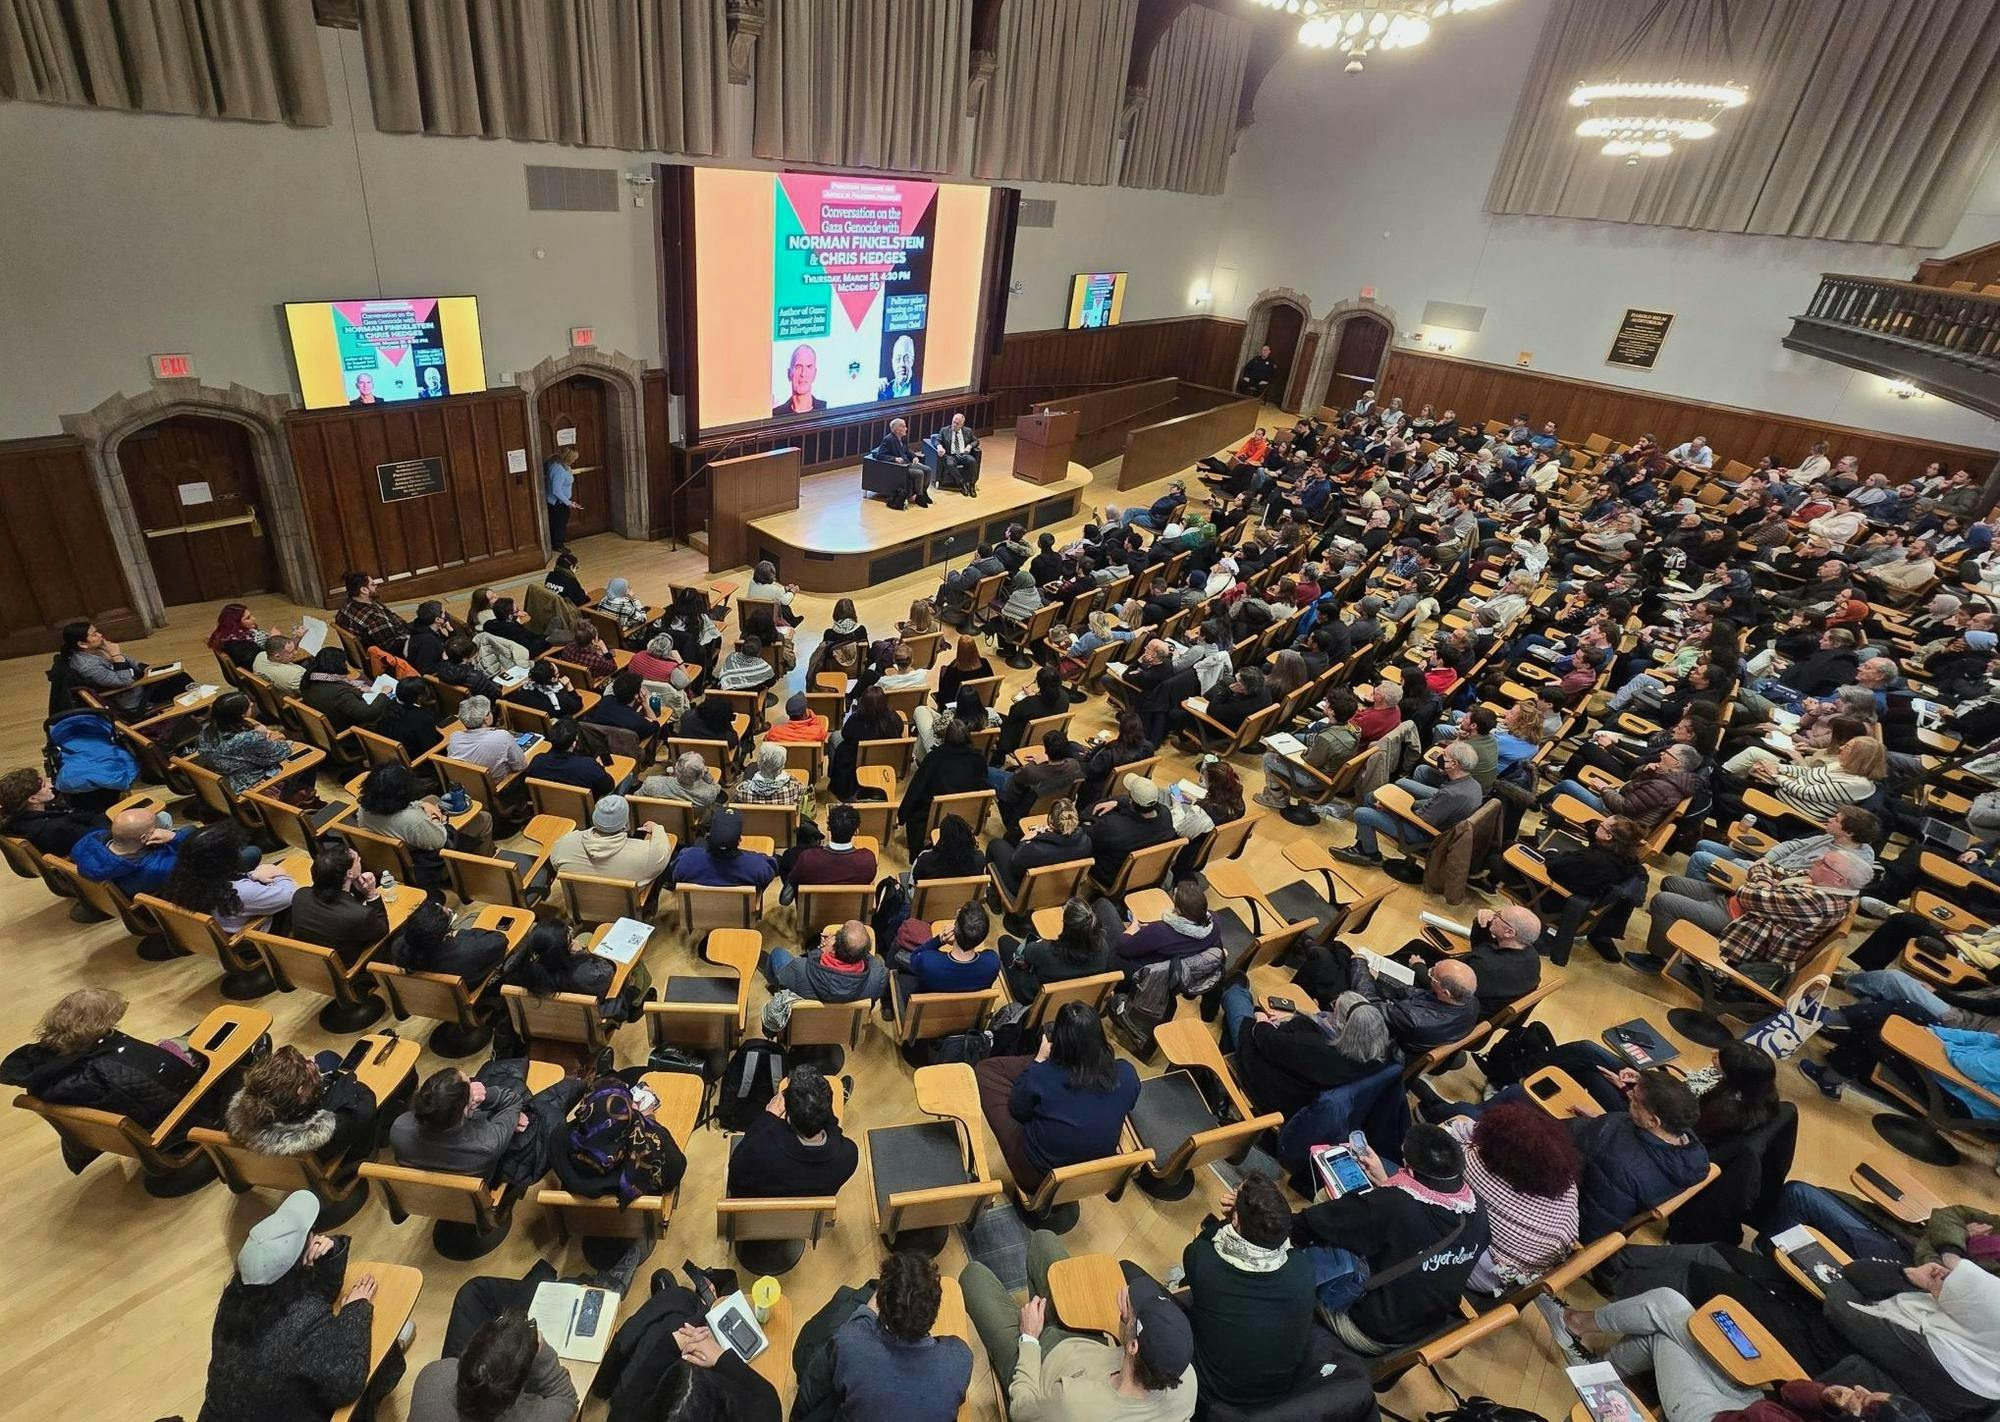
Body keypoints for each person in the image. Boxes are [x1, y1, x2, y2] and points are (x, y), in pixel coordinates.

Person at [194, 1190, 391, 1422]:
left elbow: (315, 1299)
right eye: (311, 1235)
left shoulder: (235, 1298)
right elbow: (347, 1383)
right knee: (377, 1341)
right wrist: (355, 1310)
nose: (315, 1235)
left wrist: (327, 1256)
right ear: (302, 1262)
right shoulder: (304, 1318)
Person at [1292, 1122, 1489, 1354]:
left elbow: (1306, 1225)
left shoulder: (1393, 1205)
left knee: (1324, 1201)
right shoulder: (1477, 1209)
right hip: (1426, 1328)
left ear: (1411, 1171)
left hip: (1368, 1330)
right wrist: (1385, 1181)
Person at [959, 1233, 1195, 1422]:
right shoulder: (1184, 1379)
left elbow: (1021, 1410)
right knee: (1043, 1239)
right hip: (1088, 1339)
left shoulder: (1074, 1407)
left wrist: (1029, 1339)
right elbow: (1139, 1357)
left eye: (1135, 1313)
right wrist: (1126, 1323)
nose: (1130, 1305)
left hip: (1036, 1365)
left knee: (973, 1276)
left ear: (1134, 1346)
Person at [975, 1002, 1140, 1194]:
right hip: (1094, 1172)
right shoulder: (1126, 1073)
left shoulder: (1044, 1074)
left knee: (986, 1072)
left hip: (1038, 1175)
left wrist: (1038, 1060)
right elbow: (1129, 1102)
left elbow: (1018, 1109)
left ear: (1058, 1040)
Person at [1181, 1175, 1316, 1408]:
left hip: (1214, 1389)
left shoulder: (1204, 1262)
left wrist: (1227, 1222)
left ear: (1235, 1219)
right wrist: (1241, 1219)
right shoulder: (1302, 1269)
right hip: (1274, 1395)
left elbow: (1203, 1242)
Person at [1, 987, 202, 1128]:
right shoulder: (108, 1069)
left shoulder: (42, 1062)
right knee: (202, 1040)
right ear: (97, 1026)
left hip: (132, 1112)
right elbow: (173, 1085)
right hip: (174, 1111)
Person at [1442, 1104, 1581, 1295]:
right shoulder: (1567, 1184)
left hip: (1476, 1271)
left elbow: (1449, 1136)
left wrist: (1472, 1130)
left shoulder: (1476, 1169)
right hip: (1525, 1272)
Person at [828, 1252, 973, 1422]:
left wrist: (871, 1309)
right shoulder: (960, 1358)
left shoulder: (850, 1343)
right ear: (935, 1307)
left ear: (880, 1304)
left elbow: (857, 1327)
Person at [1568, 1069, 1710, 1239]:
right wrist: (1602, 1121)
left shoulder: (1618, 1161)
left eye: (1635, 1100)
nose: (1629, 1097)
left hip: (1569, 1204)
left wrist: (1602, 1126)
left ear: (1653, 1121)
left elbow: (1590, 1224)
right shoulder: (1694, 1152)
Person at [1220, 986, 1395, 1118]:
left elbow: (1265, 1040)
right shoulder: (1378, 1058)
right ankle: (1221, 1084)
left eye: (1334, 1009)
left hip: (1272, 1088)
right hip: (1300, 1097)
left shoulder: (1316, 1049)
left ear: (1343, 1025)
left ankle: (1220, 1082)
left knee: (1236, 993)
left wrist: (1261, 1018)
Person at [1334, 740, 1486, 870]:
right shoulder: (1474, 786)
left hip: (1424, 833)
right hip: (1436, 823)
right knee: (1371, 797)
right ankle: (1363, 845)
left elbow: (1422, 822)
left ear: (1453, 764)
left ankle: (1371, 855)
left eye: (1444, 755)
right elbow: (1433, 804)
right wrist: (1407, 803)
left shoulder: (1451, 794)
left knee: (1361, 813)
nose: (1439, 757)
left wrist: (1390, 810)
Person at [409, 1309, 578, 1422]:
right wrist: (541, 1350)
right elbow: (566, 1398)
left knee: (471, 1291)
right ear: (518, 1392)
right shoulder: (531, 1416)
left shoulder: (433, 1375)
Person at [225, 1045, 383, 1165]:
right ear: (301, 1091)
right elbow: (365, 1100)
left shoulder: (257, 1103)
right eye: (306, 1062)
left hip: (293, 1146)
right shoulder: (335, 1122)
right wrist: (342, 1082)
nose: (312, 1058)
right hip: (335, 1151)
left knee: (326, 1057)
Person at [725, 1064, 857, 1198]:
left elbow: (735, 1174)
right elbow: (834, 1130)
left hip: (756, 1213)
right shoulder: (849, 1154)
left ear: (788, 1114)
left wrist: (768, 1117)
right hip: (809, 1216)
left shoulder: (758, 1146)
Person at [354, 761, 493, 887]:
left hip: (390, 854)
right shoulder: (413, 821)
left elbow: (402, 806)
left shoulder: (363, 808)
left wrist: (422, 804)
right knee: (484, 819)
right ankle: (479, 872)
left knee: (432, 799)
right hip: (423, 860)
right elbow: (441, 840)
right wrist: (438, 821)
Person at [160, 820, 295, 934]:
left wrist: (251, 875)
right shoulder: (241, 891)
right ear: (227, 859)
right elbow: (291, 895)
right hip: (261, 931)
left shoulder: (188, 877)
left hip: (230, 920)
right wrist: (280, 874)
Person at [549, 795, 673, 902]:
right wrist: (657, 828)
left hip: (580, 905)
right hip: (625, 910)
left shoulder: (565, 844)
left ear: (594, 818)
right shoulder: (648, 854)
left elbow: (555, 863)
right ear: (626, 824)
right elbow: (663, 850)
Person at [287, 841, 389, 966]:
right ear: (349, 873)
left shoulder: (300, 895)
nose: (360, 859)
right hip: (350, 967)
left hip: (313, 964)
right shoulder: (360, 915)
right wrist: (371, 894)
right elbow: (382, 930)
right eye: (357, 860)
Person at [1003, 896, 1116, 1004]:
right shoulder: (1103, 947)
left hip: (1035, 996)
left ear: (1067, 927)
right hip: (1077, 998)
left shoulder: (1047, 951)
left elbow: (1028, 952)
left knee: (1004, 941)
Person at [60, 619, 188, 715]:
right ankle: (198, 712)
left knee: (178, 675)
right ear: (82, 644)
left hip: (138, 683)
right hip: (132, 698)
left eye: (97, 632)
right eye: (94, 635)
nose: (100, 635)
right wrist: (116, 655)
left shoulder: (97, 650)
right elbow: (124, 682)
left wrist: (147, 669)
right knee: (179, 681)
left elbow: (134, 664)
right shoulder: (88, 666)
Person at [900, 720, 988, 853]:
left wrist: (902, 815)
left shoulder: (933, 758)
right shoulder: (978, 758)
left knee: (914, 812)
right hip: (967, 812)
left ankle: (916, 853)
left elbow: (916, 789)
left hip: (934, 814)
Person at [988, 797, 1093, 906]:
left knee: (995, 844)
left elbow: (1014, 866)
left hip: (1026, 891)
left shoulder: (1035, 849)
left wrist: (1026, 840)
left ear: (1051, 821)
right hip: (1061, 888)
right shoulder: (1086, 842)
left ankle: (993, 896)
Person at [71, 804, 191, 897]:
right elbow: (195, 853)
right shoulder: (158, 868)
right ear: (144, 838)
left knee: (163, 816)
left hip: (123, 875)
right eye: (155, 827)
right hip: (159, 884)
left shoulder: (91, 839)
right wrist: (175, 837)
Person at [387, 898, 512, 982]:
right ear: (444, 932)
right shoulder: (470, 950)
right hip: (475, 984)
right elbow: (500, 940)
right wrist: (459, 933)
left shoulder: (399, 947)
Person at [1082, 774, 1176, 886]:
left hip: (1111, 877)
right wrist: (1118, 802)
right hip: (1147, 874)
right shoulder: (1166, 815)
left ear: (1131, 802)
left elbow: (1086, 832)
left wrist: (1087, 815)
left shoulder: (1113, 827)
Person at [767, 918, 888, 1004]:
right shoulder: (879, 976)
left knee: (777, 953)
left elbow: (785, 980)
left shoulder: (799, 969)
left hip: (807, 1023)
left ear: (836, 946)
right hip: (844, 1027)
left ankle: (772, 985)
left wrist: (819, 951)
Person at [0, 767, 105, 856]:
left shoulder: (14, 818)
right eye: (44, 786)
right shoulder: (55, 827)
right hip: (94, 846)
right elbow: (101, 835)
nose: (51, 785)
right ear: (33, 799)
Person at [669, 807, 779, 892]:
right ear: (739, 839)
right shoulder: (757, 867)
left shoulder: (686, 860)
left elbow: (675, 876)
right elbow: (769, 874)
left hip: (696, 916)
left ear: (709, 836)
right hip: (739, 916)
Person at [786, 803, 876, 892]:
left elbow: (793, 884)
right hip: (853, 906)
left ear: (828, 827)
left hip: (814, 905)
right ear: (856, 832)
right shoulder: (868, 860)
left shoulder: (807, 858)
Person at [525, 718, 614, 799]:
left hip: (547, 811)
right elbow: (609, 786)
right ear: (574, 743)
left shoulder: (537, 761)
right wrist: (600, 768)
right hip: (583, 814)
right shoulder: (588, 766)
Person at [636, 752, 722, 824]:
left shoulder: (651, 783)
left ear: (676, 769)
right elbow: (716, 787)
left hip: (656, 821)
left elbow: (637, 800)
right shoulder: (707, 794)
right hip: (685, 826)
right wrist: (706, 773)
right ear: (700, 775)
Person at [334, 570, 409, 651]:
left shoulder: (346, 605)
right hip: (392, 652)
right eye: (372, 584)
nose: (376, 586)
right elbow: (392, 646)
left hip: (375, 645)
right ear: (364, 590)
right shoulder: (374, 617)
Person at [871, 416, 928, 509]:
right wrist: (894, 459)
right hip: (900, 468)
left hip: (908, 463)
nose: (906, 428)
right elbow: (880, 455)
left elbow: (908, 450)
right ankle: (919, 496)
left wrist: (914, 457)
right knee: (920, 473)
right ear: (897, 429)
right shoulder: (888, 440)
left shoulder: (902, 438)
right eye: (903, 427)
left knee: (927, 470)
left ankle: (924, 493)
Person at [774, 343, 827, 417]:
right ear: (789, 373)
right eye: (798, 367)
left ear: (814, 374)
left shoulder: (826, 409)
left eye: (809, 367)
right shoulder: (776, 415)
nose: (803, 373)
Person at [934, 411, 980, 495]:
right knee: (950, 464)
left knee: (972, 461)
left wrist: (970, 446)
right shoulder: (944, 430)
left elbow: (976, 441)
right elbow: (937, 440)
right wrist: (939, 446)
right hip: (951, 455)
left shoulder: (967, 431)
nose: (954, 425)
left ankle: (972, 485)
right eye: (953, 422)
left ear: (962, 424)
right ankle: (962, 484)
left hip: (963, 454)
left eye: (957, 423)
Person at [544, 447, 580, 550]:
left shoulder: (565, 466)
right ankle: (558, 544)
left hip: (563, 501)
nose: (575, 461)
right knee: (558, 523)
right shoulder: (558, 469)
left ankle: (560, 538)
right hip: (557, 502)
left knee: (562, 522)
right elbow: (556, 490)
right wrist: (568, 502)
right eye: (574, 458)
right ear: (568, 458)